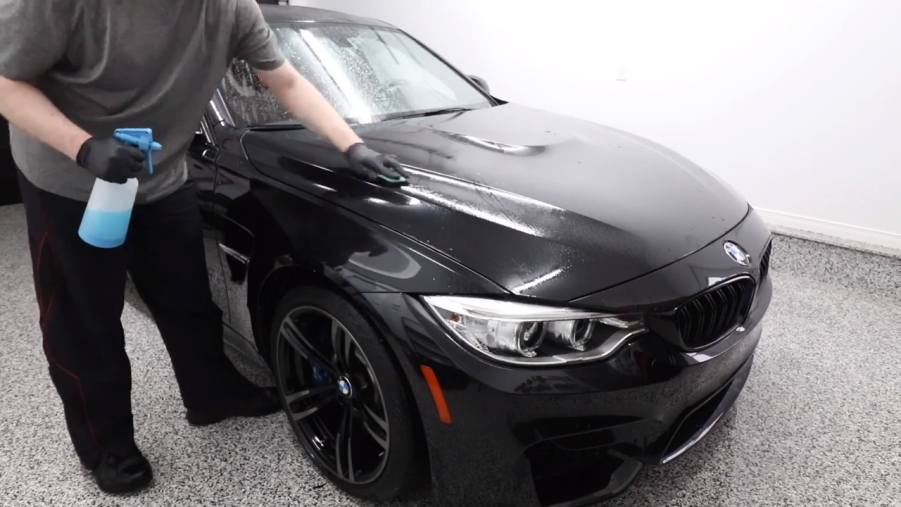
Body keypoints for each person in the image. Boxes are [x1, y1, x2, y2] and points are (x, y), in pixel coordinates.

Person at [0, 0, 407, 495]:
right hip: (68, 179)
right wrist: (84, 147)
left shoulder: (231, 9)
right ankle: (106, 444)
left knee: (189, 301)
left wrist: (351, 145)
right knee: (83, 323)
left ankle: (211, 394)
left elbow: (285, 80)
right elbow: (6, 81)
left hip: (162, 178)